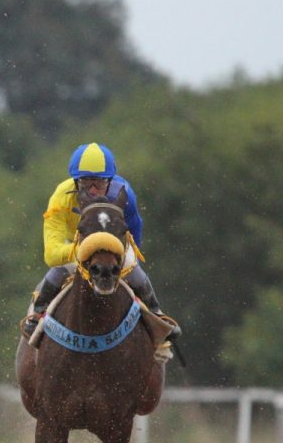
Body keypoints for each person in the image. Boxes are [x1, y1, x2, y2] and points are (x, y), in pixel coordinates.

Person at [23, 141, 180, 344]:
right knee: (63, 267)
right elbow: (51, 254)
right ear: (76, 181)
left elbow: (134, 233)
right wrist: (83, 249)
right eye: (87, 182)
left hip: (115, 246)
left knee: (131, 265)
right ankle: (37, 314)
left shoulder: (125, 195)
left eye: (100, 182)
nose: (94, 190)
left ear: (110, 180)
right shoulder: (61, 198)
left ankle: (156, 314)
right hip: (76, 243)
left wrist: (126, 256)